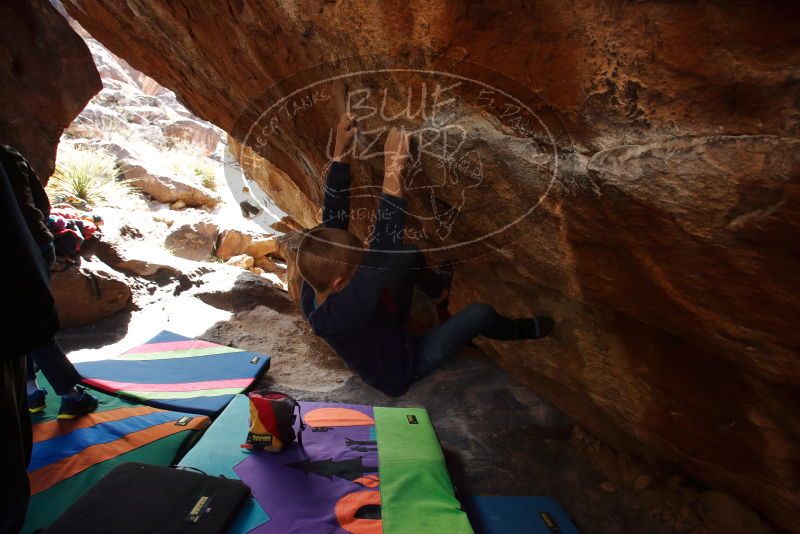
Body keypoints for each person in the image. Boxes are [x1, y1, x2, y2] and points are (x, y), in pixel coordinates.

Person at [297, 114, 554, 397]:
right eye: (358, 260)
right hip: (404, 364)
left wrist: (341, 151)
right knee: (480, 314)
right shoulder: (339, 317)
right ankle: (521, 331)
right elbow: (383, 251)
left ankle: (438, 294)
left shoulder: (316, 281)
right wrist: (394, 169)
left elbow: (334, 219)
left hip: (386, 322)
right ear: (340, 283)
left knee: (408, 255)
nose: (363, 255)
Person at [0, 146, 98, 419]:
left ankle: (30, 391)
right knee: (30, 317)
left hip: (18, 250)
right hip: (30, 245)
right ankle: (70, 394)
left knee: (16, 320)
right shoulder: (8, 156)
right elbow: (41, 204)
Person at [0, 158, 61, 532]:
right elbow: (39, 206)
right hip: (26, 261)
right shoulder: (10, 156)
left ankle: (40, 389)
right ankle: (42, 389)